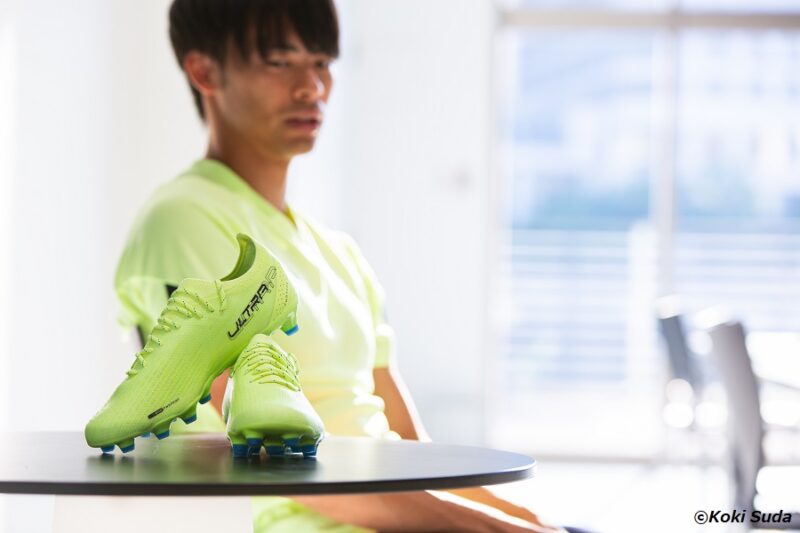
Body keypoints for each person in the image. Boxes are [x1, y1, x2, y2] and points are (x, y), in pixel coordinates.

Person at [114, 0, 573, 531]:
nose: (312, 87)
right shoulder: (182, 220)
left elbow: (414, 452)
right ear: (204, 71)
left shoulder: (339, 253)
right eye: (280, 62)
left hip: (399, 514)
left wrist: (534, 524)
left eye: (322, 62)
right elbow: (276, 463)